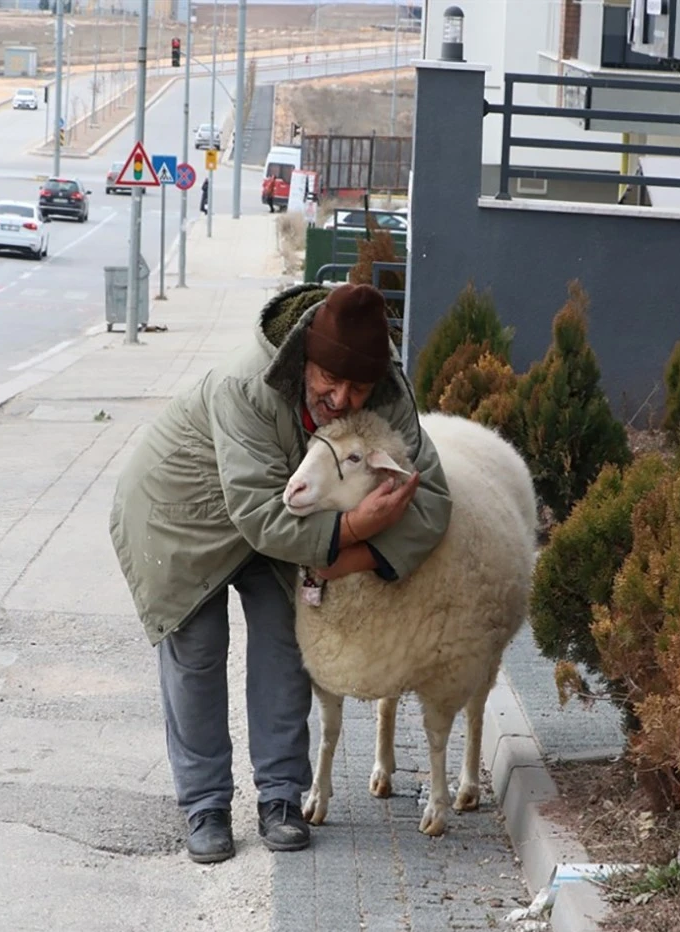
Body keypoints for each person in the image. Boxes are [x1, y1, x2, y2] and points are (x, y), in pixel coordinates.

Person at [109, 283, 452, 864]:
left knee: (285, 643)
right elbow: (259, 518)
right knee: (197, 651)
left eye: (358, 389)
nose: (342, 399)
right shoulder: (246, 384)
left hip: (289, 514)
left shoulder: (386, 389)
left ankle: (281, 799)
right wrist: (355, 530)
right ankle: (206, 805)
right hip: (181, 517)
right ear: (301, 361)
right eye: (328, 381)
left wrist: (347, 559)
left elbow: (434, 501)